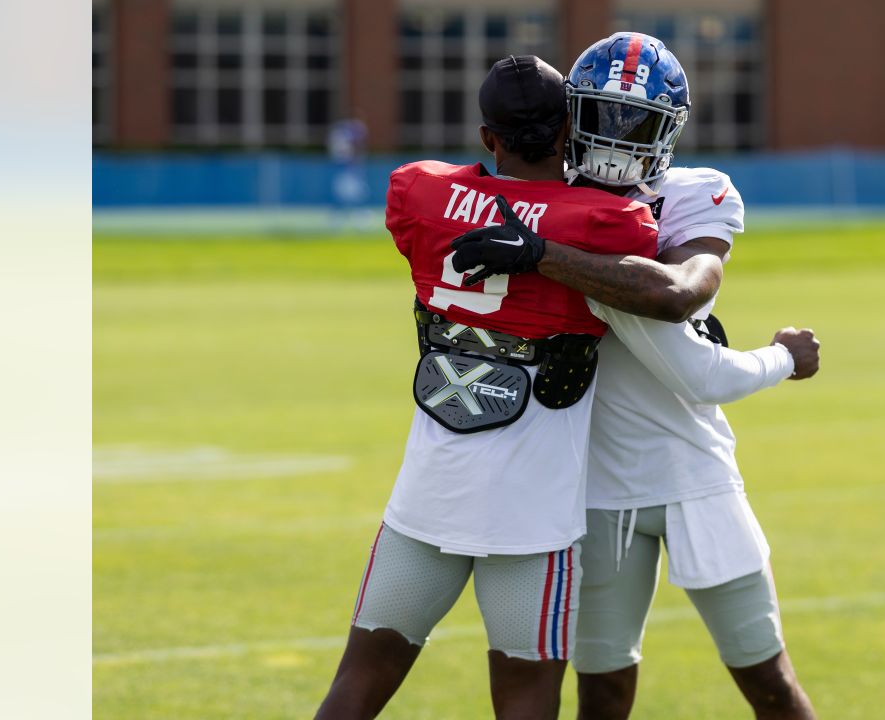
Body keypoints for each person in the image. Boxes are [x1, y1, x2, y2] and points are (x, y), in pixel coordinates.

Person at [316, 55, 816, 720]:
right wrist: (783, 356)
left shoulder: (427, 192)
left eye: (636, 121)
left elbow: (675, 289)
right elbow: (674, 317)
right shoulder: (600, 221)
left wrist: (530, 245)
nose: (620, 135)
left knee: (358, 684)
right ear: (569, 126)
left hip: (475, 486)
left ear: (488, 136)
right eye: (606, 118)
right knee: (562, 692)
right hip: (561, 503)